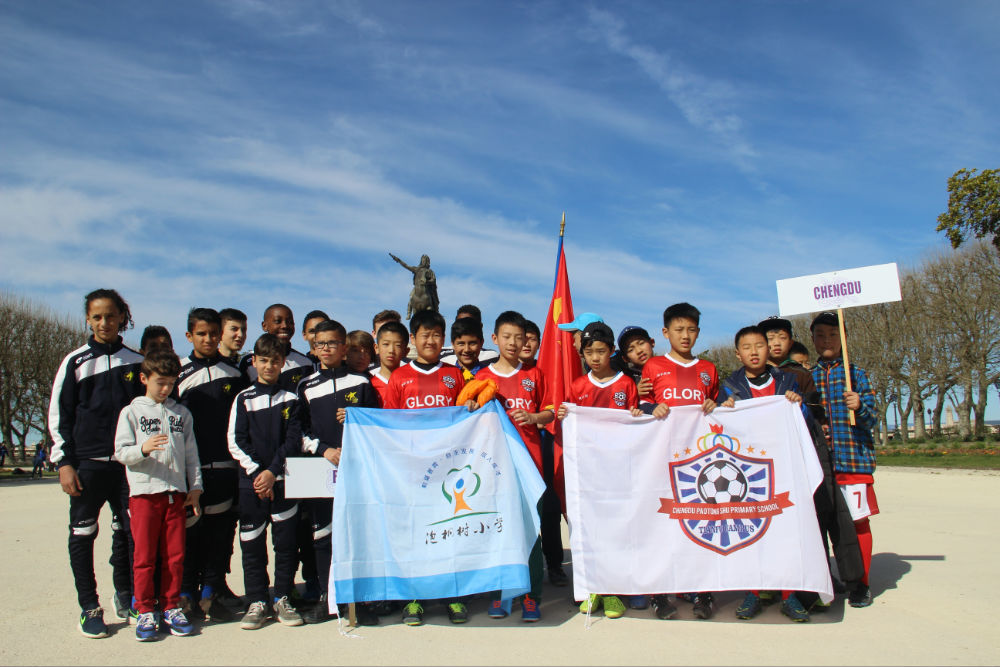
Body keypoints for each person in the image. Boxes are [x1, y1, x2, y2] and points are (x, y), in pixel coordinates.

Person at [49, 288, 144, 638]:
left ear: (122, 317)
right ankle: (89, 606)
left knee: (130, 534)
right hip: (86, 466)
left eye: (111, 316)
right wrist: (64, 462)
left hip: (126, 466)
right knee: (83, 534)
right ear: (88, 320)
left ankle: (129, 596)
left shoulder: (135, 361)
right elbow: (59, 415)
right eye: (97, 317)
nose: (105, 322)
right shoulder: (74, 362)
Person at [716, 326, 813, 622]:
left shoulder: (787, 381)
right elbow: (718, 424)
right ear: (738, 354)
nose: (754, 352)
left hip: (783, 465)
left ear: (768, 349)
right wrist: (723, 407)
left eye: (759, 345)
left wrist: (799, 406)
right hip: (748, 470)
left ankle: (789, 594)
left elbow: (805, 419)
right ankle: (753, 592)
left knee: (787, 530)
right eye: (747, 347)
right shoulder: (730, 385)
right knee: (750, 530)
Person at [383, 310, 467, 626]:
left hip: (448, 470)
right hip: (412, 471)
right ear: (413, 339)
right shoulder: (399, 377)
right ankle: (413, 598)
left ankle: (453, 595)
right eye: (424, 335)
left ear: (443, 339)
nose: (430, 341)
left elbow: (467, 419)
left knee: (449, 533)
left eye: (436, 335)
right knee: (415, 534)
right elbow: (389, 424)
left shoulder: (455, 375)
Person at [114, 347, 203, 641]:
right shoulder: (131, 412)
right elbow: (121, 452)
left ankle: (171, 606)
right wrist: (143, 449)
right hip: (144, 494)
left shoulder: (181, 413)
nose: (165, 389)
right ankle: (144, 610)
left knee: (175, 556)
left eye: (170, 383)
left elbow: (191, 455)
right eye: (159, 382)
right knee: (144, 557)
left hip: (175, 495)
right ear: (144, 378)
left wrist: (195, 488)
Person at [639, 302, 720, 620]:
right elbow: (640, 405)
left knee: (699, 523)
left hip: (699, 463)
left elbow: (718, 407)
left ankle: (702, 591)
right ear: (665, 332)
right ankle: (659, 593)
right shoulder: (654, 366)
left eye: (691, 330)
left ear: (698, 332)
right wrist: (650, 408)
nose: (685, 336)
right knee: (661, 525)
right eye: (679, 330)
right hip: (662, 460)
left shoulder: (708, 369)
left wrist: (716, 404)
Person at [296, 319, 380, 625]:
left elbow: (377, 423)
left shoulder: (362, 381)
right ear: (313, 348)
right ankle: (326, 598)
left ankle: (358, 600)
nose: (326, 349)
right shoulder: (305, 386)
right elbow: (298, 431)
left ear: (344, 347)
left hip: (356, 469)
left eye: (332, 343)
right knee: (322, 535)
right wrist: (323, 450)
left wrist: (358, 417)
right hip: (321, 469)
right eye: (320, 344)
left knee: (357, 534)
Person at [556, 322, 640, 620]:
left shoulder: (625, 384)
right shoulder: (578, 386)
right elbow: (570, 424)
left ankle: (614, 589)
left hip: (617, 471)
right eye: (589, 352)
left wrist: (636, 415)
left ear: (611, 351)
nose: (595, 357)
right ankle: (591, 588)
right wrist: (565, 414)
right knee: (587, 528)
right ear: (582, 354)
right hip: (587, 473)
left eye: (601, 351)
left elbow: (636, 423)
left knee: (616, 528)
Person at [474, 310, 553, 623]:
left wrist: (533, 417)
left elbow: (550, 412)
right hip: (493, 468)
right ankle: (501, 594)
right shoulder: (482, 377)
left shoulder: (535, 375)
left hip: (530, 466)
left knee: (530, 532)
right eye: (506, 336)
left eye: (518, 338)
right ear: (495, 338)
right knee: (498, 531)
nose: (512, 343)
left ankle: (531, 596)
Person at [228, 333, 306, 630]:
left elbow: (293, 441)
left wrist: (272, 472)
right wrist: (257, 473)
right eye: (263, 360)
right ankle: (257, 601)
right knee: (252, 545)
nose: (269, 366)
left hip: (283, 482)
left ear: (283, 362)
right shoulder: (243, 399)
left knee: (285, 545)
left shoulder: (291, 399)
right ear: (254, 362)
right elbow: (236, 441)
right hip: (252, 485)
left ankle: (283, 597)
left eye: (275, 361)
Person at [176, 307, 248, 622]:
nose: (208, 339)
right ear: (189, 335)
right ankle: (186, 594)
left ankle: (211, 593)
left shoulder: (235, 373)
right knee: (190, 535)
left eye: (213, 334)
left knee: (221, 536)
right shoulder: (178, 373)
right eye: (201, 334)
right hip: (190, 470)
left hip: (226, 467)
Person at [810, 311, 879, 608]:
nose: (827, 340)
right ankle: (825, 580)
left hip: (852, 462)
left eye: (833, 335)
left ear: (844, 339)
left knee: (857, 524)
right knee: (819, 526)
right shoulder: (807, 376)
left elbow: (872, 419)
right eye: (821, 335)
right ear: (813, 339)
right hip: (818, 465)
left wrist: (860, 405)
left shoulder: (857, 374)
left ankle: (861, 583)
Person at [240, 304, 314, 392]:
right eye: (278, 321)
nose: (285, 326)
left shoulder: (305, 363)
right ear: (264, 326)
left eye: (290, 322)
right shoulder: (248, 363)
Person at [389, 253, 439, 319]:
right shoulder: (416, 269)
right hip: (417, 287)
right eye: (423, 260)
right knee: (411, 298)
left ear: (427, 262)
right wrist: (398, 260)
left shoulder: (430, 271)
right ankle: (409, 313)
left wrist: (427, 282)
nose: (424, 262)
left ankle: (436, 310)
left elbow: (433, 280)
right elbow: (406, 266)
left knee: (434, 298)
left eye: (425, 260)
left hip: (427, 287)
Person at [371, 321, 409, 407]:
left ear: (406, 351)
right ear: (376, 348)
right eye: (386, 344)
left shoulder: (412, 384)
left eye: (398, 345)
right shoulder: (368, 386)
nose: (391, 350)